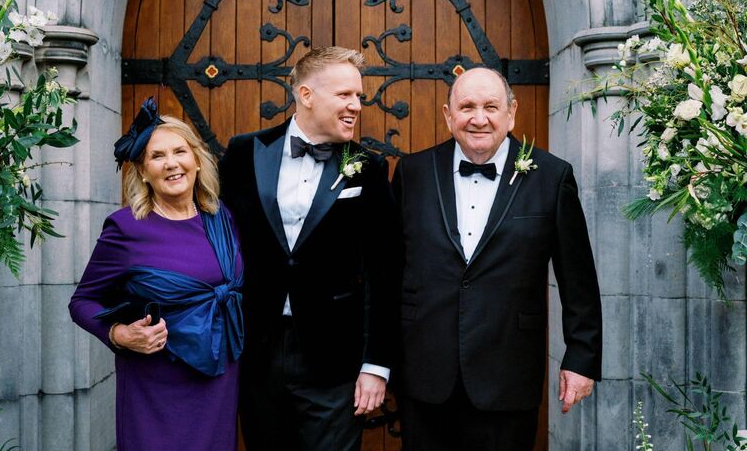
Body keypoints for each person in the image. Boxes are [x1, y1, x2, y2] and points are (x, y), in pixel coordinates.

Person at [391, 66, 603, 450]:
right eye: (467, 106)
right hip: (424, 371)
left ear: (512, 111)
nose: (478, 118)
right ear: (447, 114)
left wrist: (581, 358)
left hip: (507, 372)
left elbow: (579, 278)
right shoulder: (413, 173)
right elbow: (390, 270)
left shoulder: (552, 177)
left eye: (491, 106)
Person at [219, 46, 400, 451]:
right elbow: (215, 242)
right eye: (345, 95)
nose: (356, 105)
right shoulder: (244, 152)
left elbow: (384, 272)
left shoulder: (368, 168)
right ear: (306, 95)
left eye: (359, 96)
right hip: (256, 352)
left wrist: (376, 364)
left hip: (334, 359)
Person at [68, 97, 244, 451]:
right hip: (155, 385)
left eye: (179, 151)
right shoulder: (126, 227)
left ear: (196, 159)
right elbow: (82, 301)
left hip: (218, 378)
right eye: (156, 156)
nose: (171, 164)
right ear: (143, 171)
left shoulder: (220, 216)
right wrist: (118, 333)